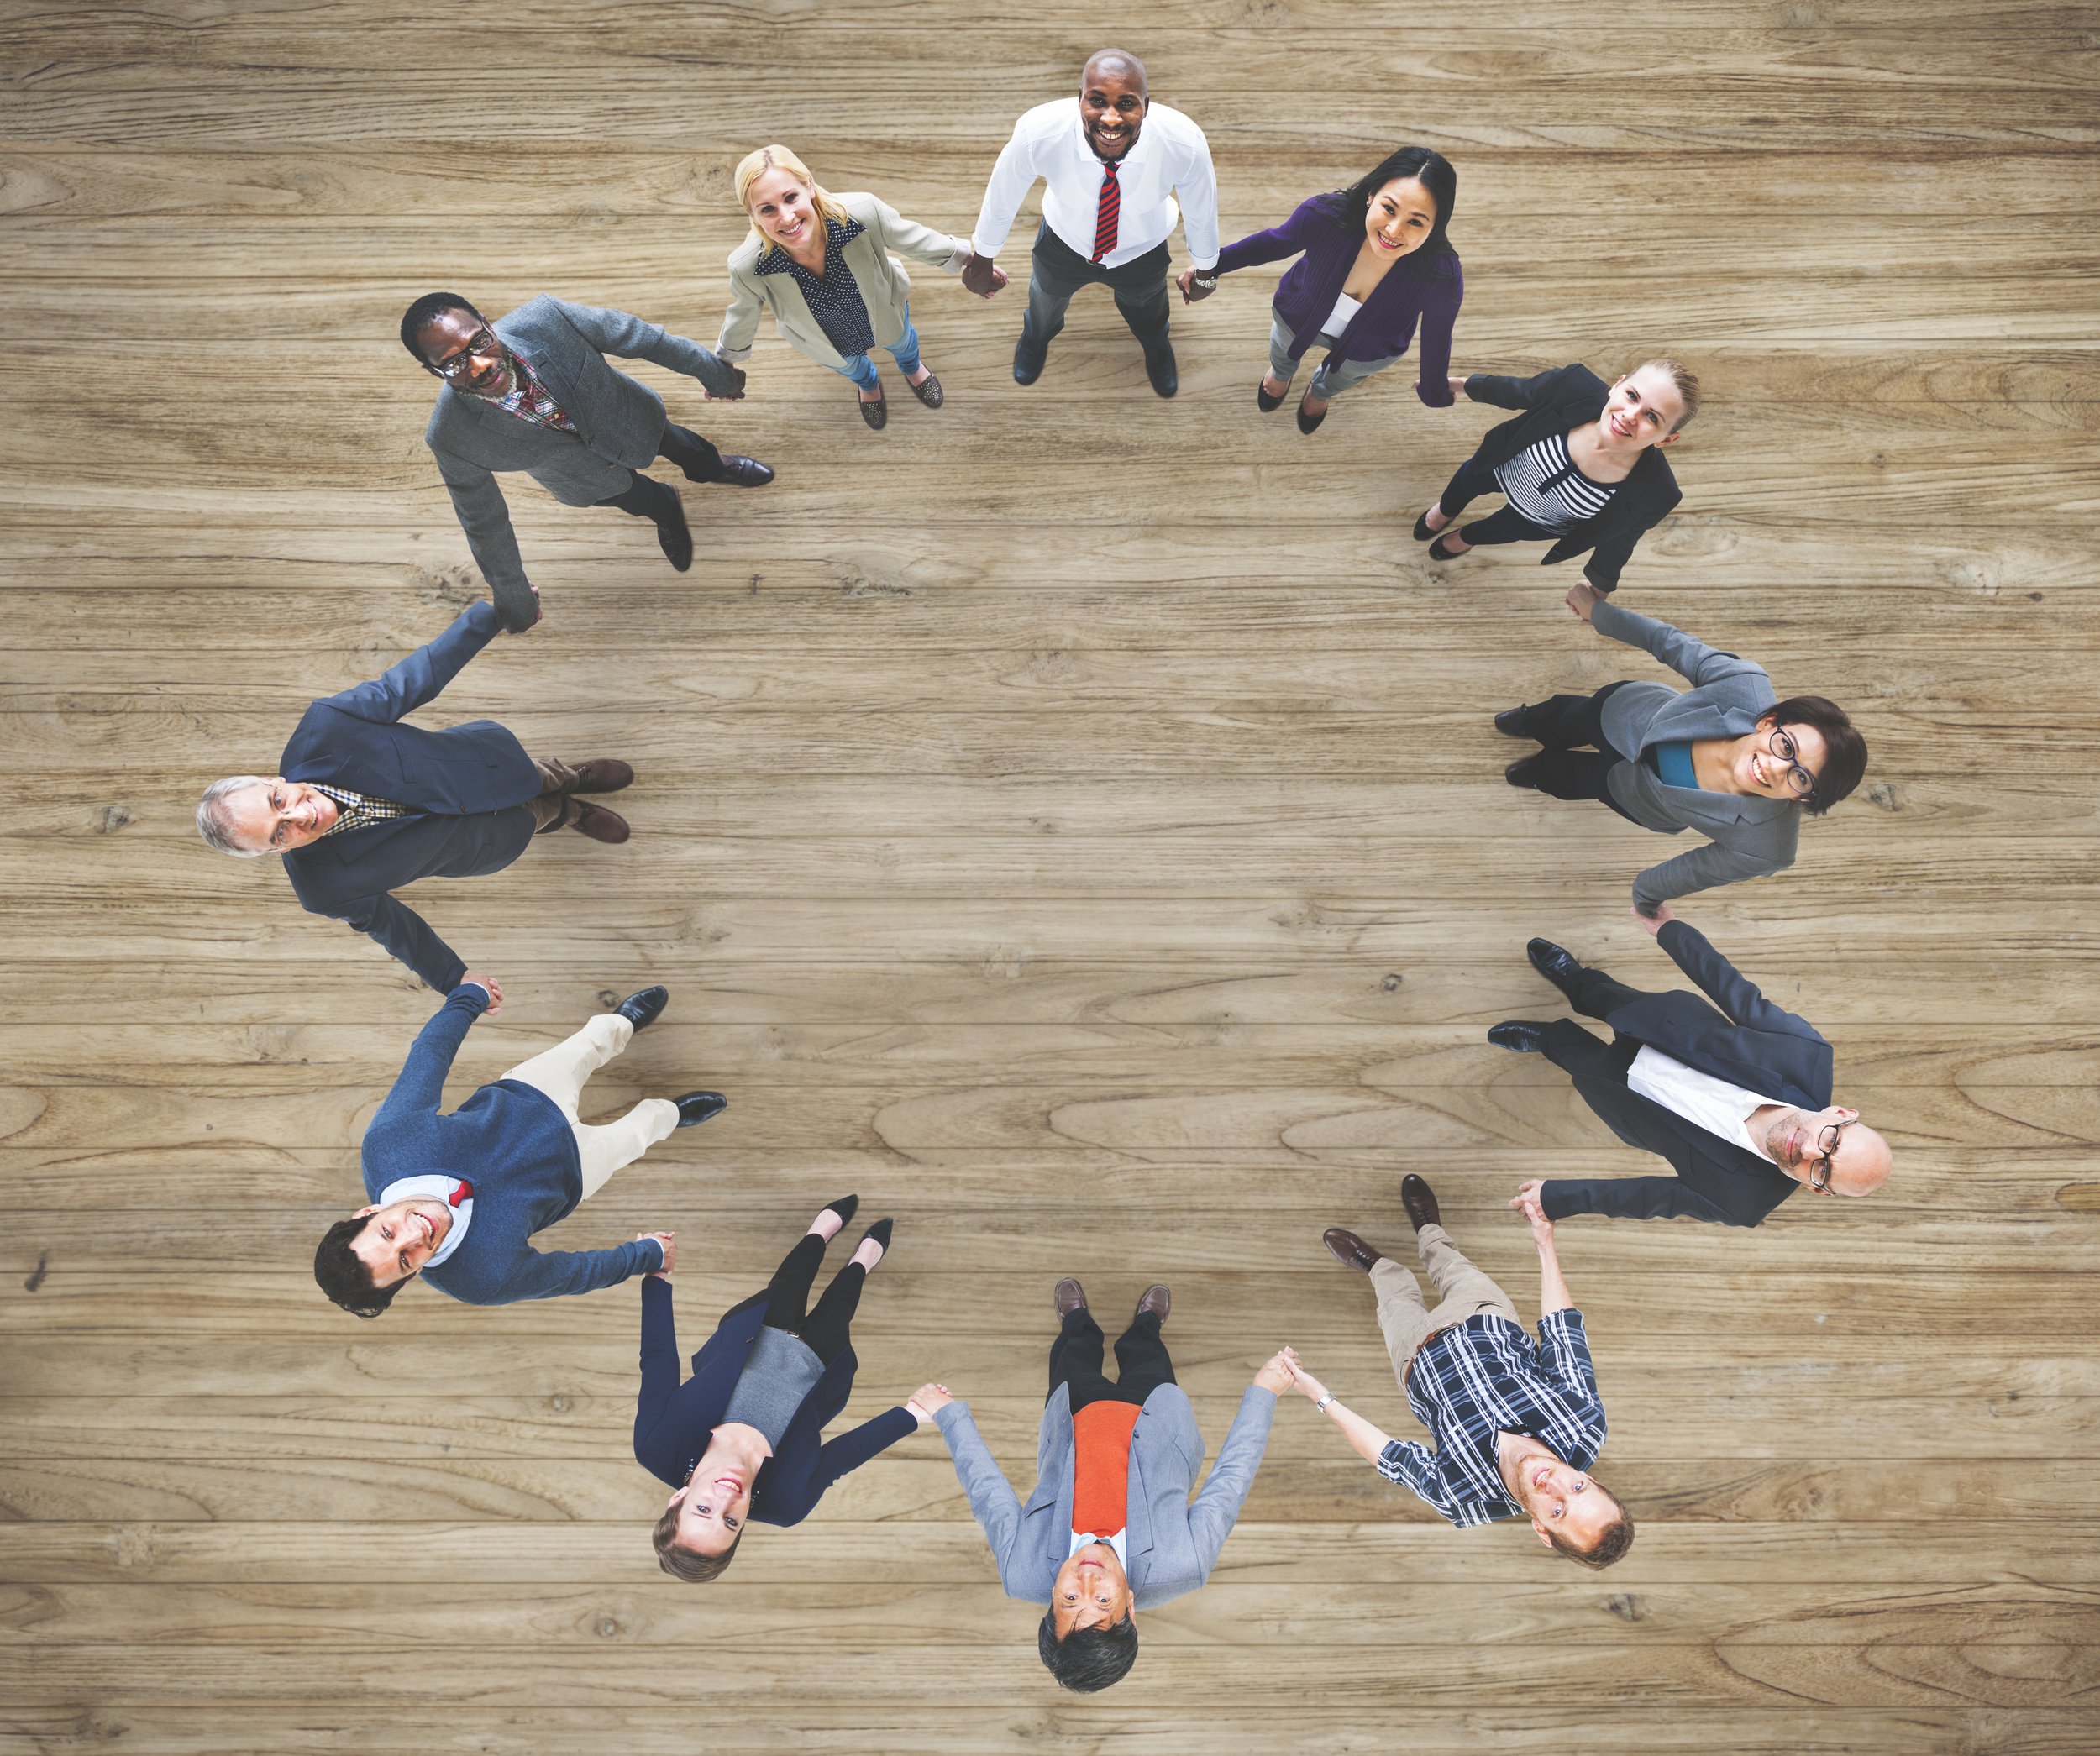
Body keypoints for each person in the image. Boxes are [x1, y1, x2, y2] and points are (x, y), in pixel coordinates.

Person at [195, 600, 635, 996]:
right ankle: (568, 813)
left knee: (539, 776)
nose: (297, 816)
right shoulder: (322, 890)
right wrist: (453, 978)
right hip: (486, 844)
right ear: (278, 852)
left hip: (485, 765)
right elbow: (395, 929)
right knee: (538, 817)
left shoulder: (327, 726)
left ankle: (571, 777)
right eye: (279, 834)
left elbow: (416, 679)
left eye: (277, 802)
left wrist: (493, 615)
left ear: (272, 780)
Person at [915, 1279, 1289, 1692]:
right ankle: (1146, 1326)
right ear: (1130, 1608)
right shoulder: (1186, 1564)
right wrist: (1265, 1393)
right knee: (1148, 1356)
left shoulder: (1021, 1571)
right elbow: (1230, 1482)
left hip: (1074, 1418)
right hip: (1155, 1416)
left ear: (1050, 1603)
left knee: (1071, 1355)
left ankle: (1077, 1322)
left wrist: (949, 1416)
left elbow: (987, 1494)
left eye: (1070, 1600)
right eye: (1104, 1602)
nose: (1086, 1581)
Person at [312, 982, 722, 1317]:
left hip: (527, 1096)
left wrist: (469, 997)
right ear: (412, 1276)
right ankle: (673, 1113)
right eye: (405, 1259)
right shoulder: (480, 1281)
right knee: (641, 1133)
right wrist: (648, 1254)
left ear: (367, 1213)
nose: (416, 1235)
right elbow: (573, 1274)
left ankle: (622, 1023)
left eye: (387, 1232)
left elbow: (429, 1057)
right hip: (574, 1172)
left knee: (588, 1045)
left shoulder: (389, 1144)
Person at [1289, 1176, 1632, 1568]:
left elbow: (1391, 1457)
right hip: (1483, 1316)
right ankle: (1429, 1231)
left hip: (1414, 1357)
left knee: (1393, 1294)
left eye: (1557, 1511)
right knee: (1449, 1263)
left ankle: (1377, 1266)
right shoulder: (1585, 1422)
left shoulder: (1464, 1499)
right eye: (1578, 1487)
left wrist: (1318, 1395)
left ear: (1542, 1530)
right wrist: (1544, 1241)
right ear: (1595, 1481)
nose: (1553, 1484)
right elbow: (1562, 1331)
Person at [405, 291, 774, 631]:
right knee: (644, 501)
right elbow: (483, 522)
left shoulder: (548, 317)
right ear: (433, 371)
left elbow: (645, 339)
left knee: (689, 448)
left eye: (479, 342)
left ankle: (713, 468)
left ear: (487, 323)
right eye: (454, 364)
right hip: (583, 479)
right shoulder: (450, 437)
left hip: (634, 421)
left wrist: (719, 377)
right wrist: (514, 597)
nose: (480, 365)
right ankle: (668, 512)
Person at [1488, 920, 1892, 1225]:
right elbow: (1735, 991)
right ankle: (1577, 982)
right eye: (1831, 1142)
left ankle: (1549, 1038)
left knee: (1577, 1058)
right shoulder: (1806, 1052)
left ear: (1816, 1189)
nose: (1809, 1152)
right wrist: (1671, 931)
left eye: (1823, 1170)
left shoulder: (1742, 1202)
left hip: (1631, 1101)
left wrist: (1556, 1198)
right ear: (1840, 1113)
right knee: (1606, 998)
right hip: (1664, 1026)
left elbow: (1647, 1197)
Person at [1498, 595, 1868, 915]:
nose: (1774, 768)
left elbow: (1690, 872)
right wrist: (1598, 612)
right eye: (1786, 747)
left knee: (1573, 781)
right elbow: (1668, 642)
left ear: (1804, 798)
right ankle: (1533, 720)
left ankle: (1542, 774)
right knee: (1566, 716)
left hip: (1634, 798)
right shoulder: (1745, 685)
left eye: (1801, 777)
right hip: (1624, 712)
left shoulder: (1768, 848)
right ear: (1768, 722)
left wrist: (1645, 902)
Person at [638, 1199, 913, 1580]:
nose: (727, 1499)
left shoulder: (655, 1445)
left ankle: (818, 1234)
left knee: (790, 1280)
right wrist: (913, 1414)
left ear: (678, 1499)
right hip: (819, 1366)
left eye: (703, 1509)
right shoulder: (787, 1505)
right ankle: (860, 1265)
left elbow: (658, 1361)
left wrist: (656, 1278)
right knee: (840, 1307)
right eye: (730, 1522)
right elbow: (841, 1458)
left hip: (758, 1331)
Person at [962, 47, 1218, 397]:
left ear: (1146, 106)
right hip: (1062, 244)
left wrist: (1207, 271)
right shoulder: (1037, 133)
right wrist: (982, 258)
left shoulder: (1185, 143)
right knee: (1044, 302)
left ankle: (1156, 345)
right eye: (1097, 101)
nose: (1110, 119)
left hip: (1142, 251)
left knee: (1149, 313)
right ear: (1079, 99)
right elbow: (1002, 196)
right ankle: (1036, 339)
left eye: (1126, 104)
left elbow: (1202, 212)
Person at [717, 144, 1004, 430]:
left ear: (809, 186)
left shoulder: (863, 212)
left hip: (883, 308)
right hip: (826, 338)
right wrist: (721, 370)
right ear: (753, 215)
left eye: (791, 198)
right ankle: (868, 384)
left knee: (903, 342)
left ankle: (912, 367)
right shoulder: (747, 267)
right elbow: (742, 317)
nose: (787, 217)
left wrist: (972, 260)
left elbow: (913, 238)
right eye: (767, 209)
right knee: (852, 367)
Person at [1189, 145, 1461, 434]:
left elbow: (1437, 340)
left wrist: (1434, 391)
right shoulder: (1324, 216)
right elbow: (1273, 243)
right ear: (1371, 196)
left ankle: (1321, 392)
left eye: (1415, 221)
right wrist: (1210, 267)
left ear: (1435, 227)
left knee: (1342, 378)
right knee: (1282, 352)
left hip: (1369, 349)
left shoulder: (1442, 276)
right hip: (1297, 315)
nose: (1394, 230)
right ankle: (1280, 375)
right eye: (1389, 209)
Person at [1415, 360, 1697, 604]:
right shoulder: (1573, 385)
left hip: (1538, 520)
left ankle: (1466, 537)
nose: (1630, 416)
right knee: (1465, 483)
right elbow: (1517, 390)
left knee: (1497, 529)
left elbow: (1620, 543)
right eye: (1632, 396)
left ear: (1666, 439)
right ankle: (1445, 511)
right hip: (1503, 465)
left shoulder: (1657, 493)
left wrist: (1599, 589)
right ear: (1617, 385)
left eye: (1652, 417)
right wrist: (1463, 385)